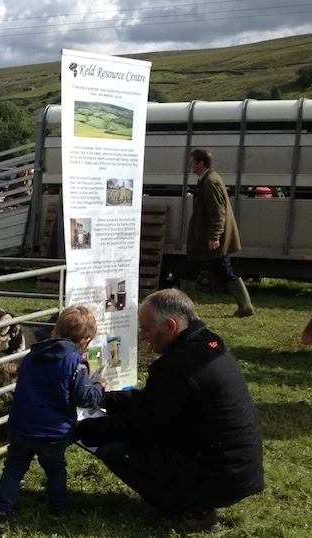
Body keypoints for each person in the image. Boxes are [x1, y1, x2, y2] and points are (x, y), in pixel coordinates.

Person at [75, 289, 264, 534]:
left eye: (146, 329)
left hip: (222, 474)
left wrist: (84, 429)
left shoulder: (178, 368)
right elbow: (154, 402)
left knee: (116, 450)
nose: (142, 337)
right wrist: (105, 398)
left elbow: (141, 425)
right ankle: (195, 498)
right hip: (235, 466)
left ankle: (193, 513)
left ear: (170, 326)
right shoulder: (206, 343)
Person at [0, 305, 105, 529]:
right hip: (53, 432)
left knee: (14, 468)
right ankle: (58, 508)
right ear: (85, 342)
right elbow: (85, 398)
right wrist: (98, 386)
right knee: (55, 469)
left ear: (54, 332)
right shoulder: (76, 364)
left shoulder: (30, 357)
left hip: (21, 427)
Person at [180, 148, 254, 317]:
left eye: (192, 162)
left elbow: (218, 212)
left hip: (208, 239)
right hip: (205, 238)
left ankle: (185, 311)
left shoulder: (210, 182)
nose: (190, 165)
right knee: (220, 270)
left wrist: (214, 236)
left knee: (192, 271)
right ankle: (245, 306)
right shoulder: (208, 179)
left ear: (200, 163)